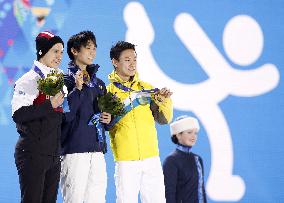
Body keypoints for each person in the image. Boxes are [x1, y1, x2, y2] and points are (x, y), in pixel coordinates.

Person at [107, 41, 173, 203]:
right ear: (115, 62)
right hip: (126, 160)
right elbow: (105, 125)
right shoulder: (108, 92)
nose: (132, 64)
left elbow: (164, 119)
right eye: (127, 59)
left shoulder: (146, 88)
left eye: (134, 59)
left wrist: (164, 101)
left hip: (151, 157)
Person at [11, 31, 65, 203]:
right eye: (55, 51)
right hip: (33, 153)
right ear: (42, 52)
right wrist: (50, 105)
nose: (59, 56)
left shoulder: (58, 79)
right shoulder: (29, 80)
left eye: (61, 52)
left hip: (53, 155)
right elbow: (19, 114)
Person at [60, 30, 111, 203]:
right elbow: (64, 115)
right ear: (75, 51)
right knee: (74, 199)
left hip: (97, 150)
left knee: (97, 199)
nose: (93, 52)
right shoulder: (63, 80)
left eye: (95, 48)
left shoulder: (98, 83)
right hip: (74, 150)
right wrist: (78, 89)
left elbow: (104, 120)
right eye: (88, 48)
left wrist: (108, 120)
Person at [163, 115, 207, 203]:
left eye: (195, 133)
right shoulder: (171, 161)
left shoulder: (198, 159)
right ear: (178, 135)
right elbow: (169, 194)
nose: (193, 136)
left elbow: (201, 191)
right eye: (189, 132)